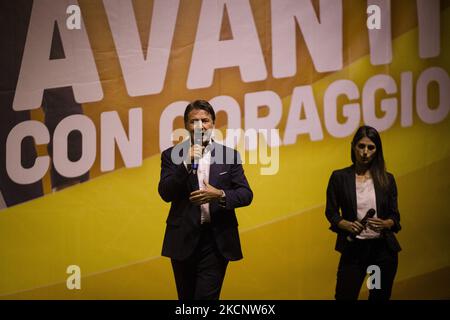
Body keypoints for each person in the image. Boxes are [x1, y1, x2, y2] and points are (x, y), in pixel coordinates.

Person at [158, 100, 253, 300]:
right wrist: (185, 164)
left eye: (205, 120)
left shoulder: (229, 155)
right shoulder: (171, 155)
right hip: (183, 239)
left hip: (216, 240)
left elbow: (246, 194)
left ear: (213, 123)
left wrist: (219, 195)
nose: (200, 126)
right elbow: (165, 193)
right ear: (186, 125)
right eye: (194, 121)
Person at [325, 125, 401, 300]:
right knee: (345, 296)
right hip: (353, 251)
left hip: (382, 253)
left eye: (371, 147)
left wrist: (386, 223)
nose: (365, 152)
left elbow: (395, 216)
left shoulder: (387, 179)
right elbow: (331, 212)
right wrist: (345, 224)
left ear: (377, 150)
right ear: (353, 146)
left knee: (378, 297)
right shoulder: (339, 177)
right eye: (361, 146)